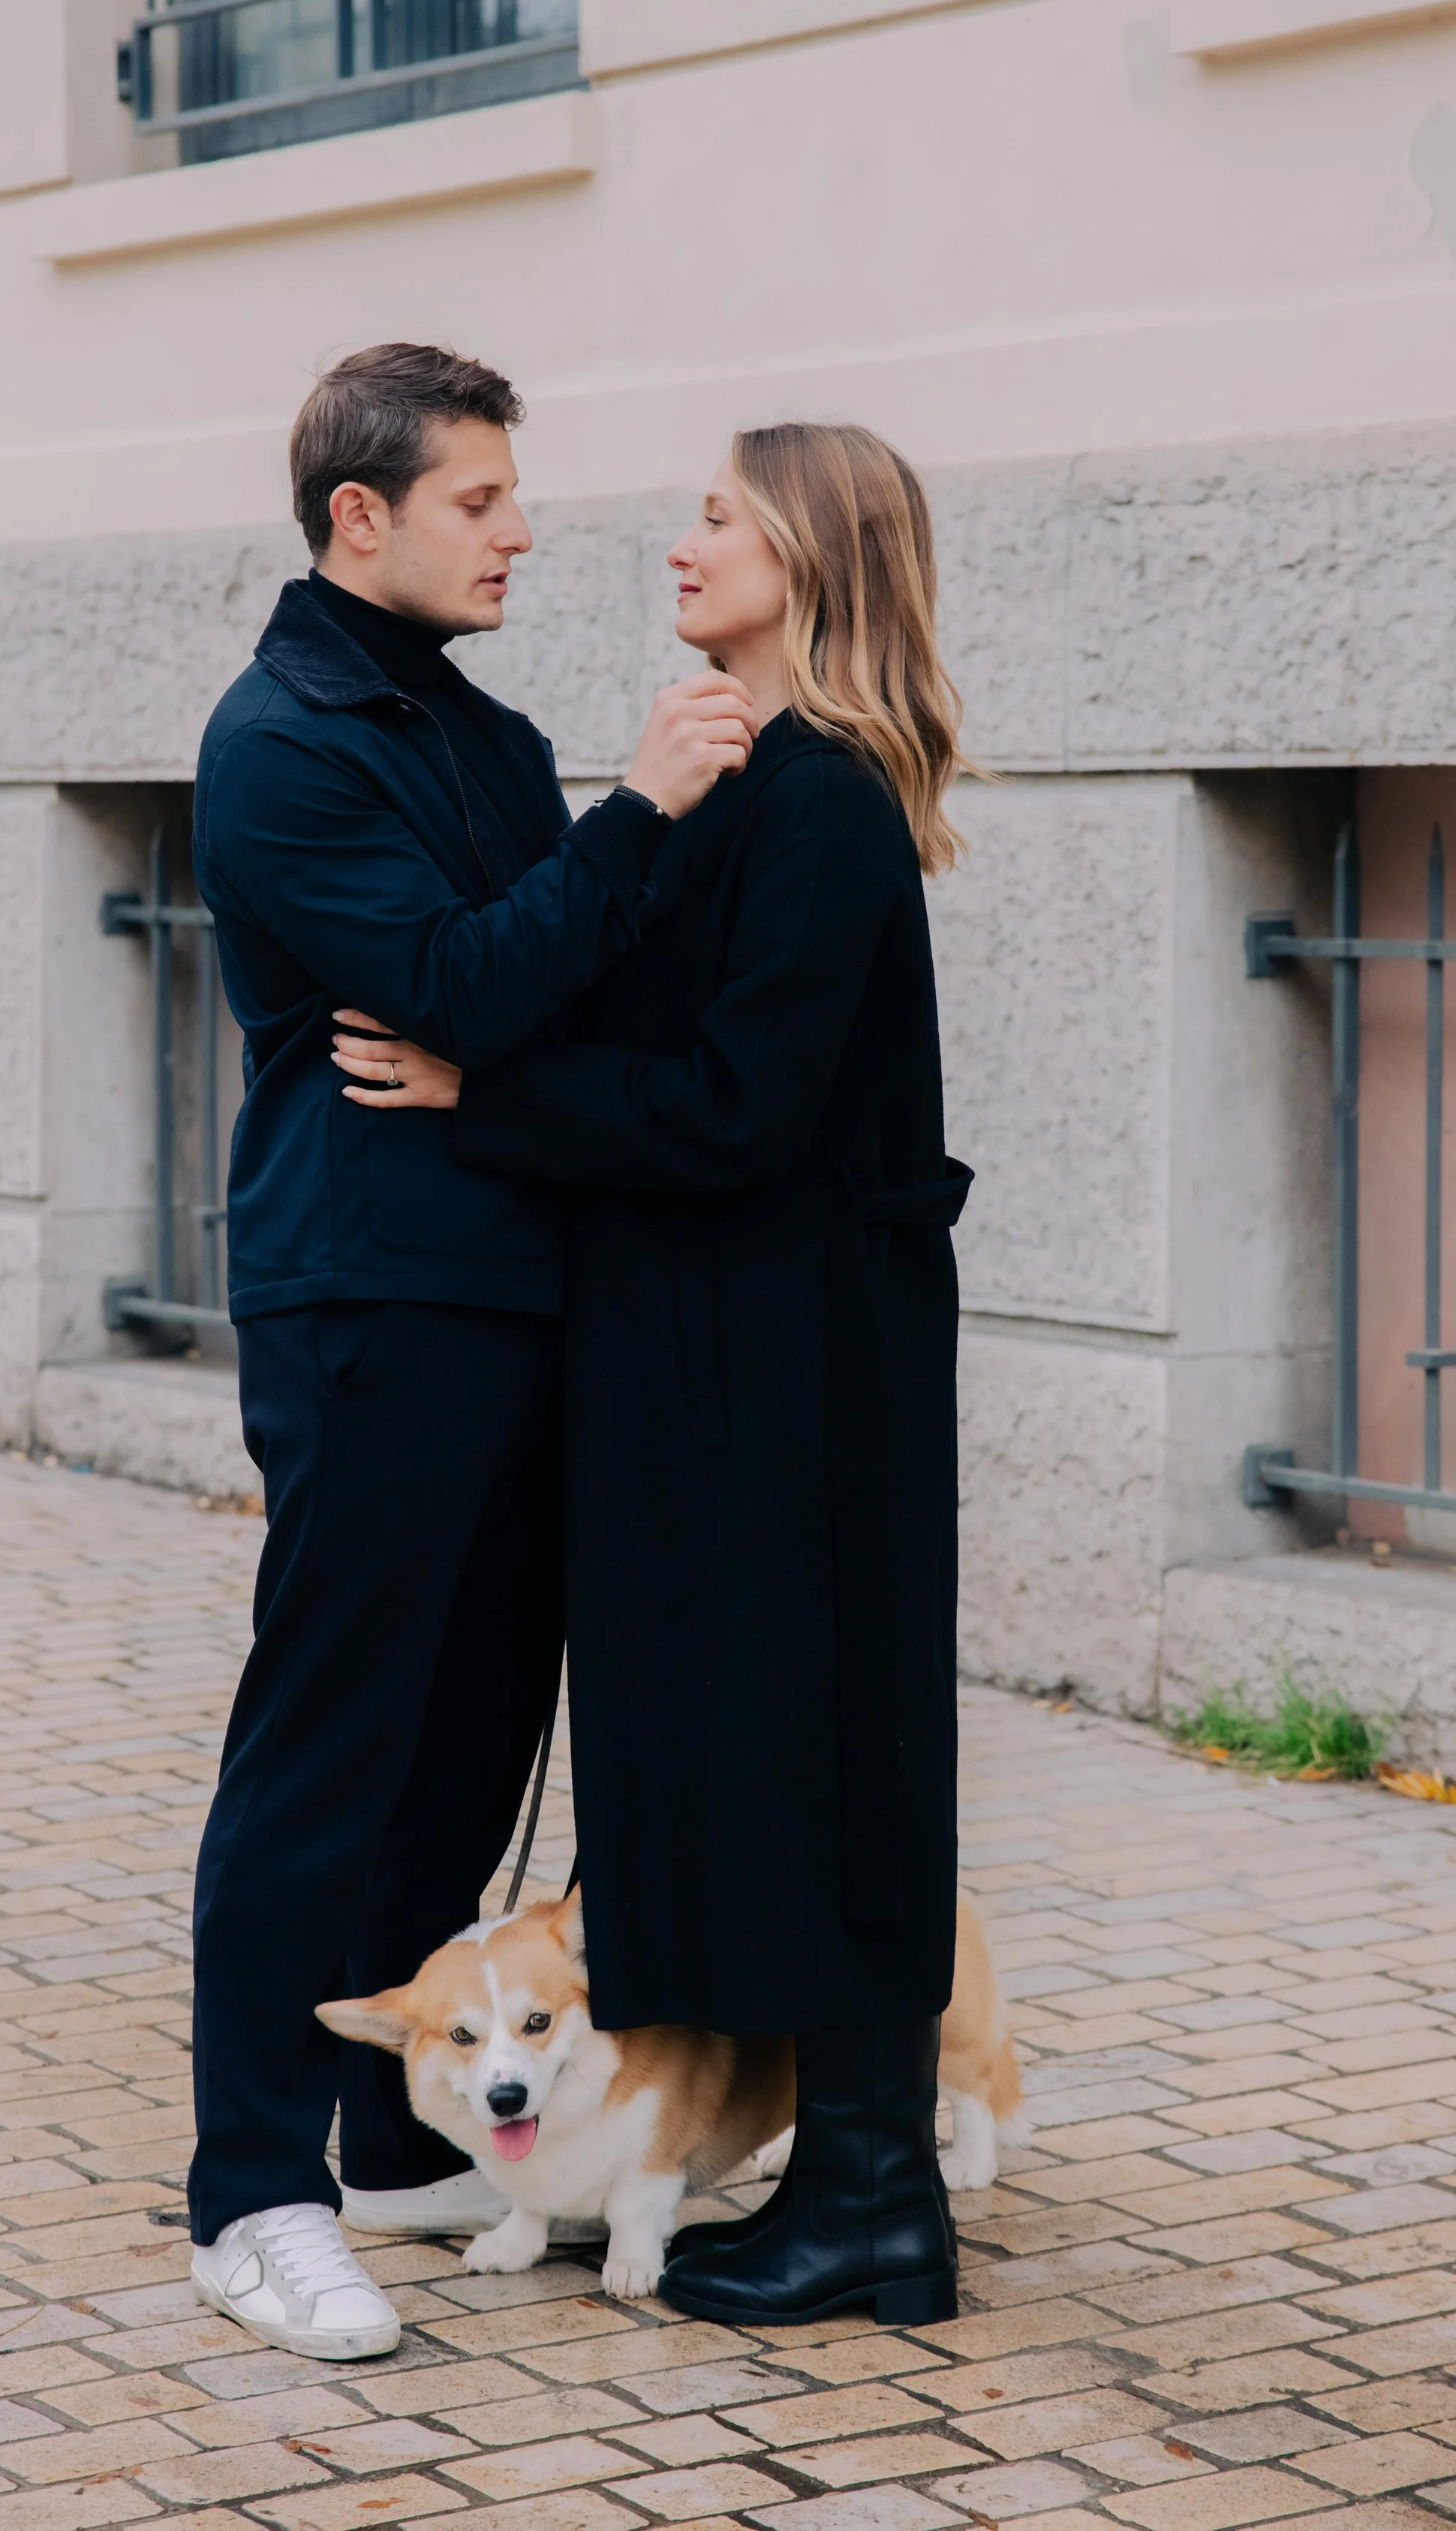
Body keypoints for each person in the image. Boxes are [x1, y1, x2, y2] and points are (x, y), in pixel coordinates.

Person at [332, 420, 973, 2329]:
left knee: (820, 1751)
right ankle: (826, 2174)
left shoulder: (827, 799)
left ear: (809, 554)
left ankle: (875, 2196)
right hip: (710, 1362)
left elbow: (734, 1103)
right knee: (738, 1749)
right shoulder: (738, 771)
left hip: (795, 1379)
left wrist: (482, 1093)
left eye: (717, 517)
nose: (679, 544)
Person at [186, 342, 755, 2359]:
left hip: (521, 1289)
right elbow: (458, 978)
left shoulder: (486, 734)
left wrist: (566, 927)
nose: (522, 529)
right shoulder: (279, 743)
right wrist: (639, 813)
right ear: (362, 515)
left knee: (467, 1741)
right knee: (330, 1749)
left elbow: (543, 1001)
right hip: (370, 1295)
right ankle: (251, 2193)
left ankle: (383, 2133)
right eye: (479, 498)